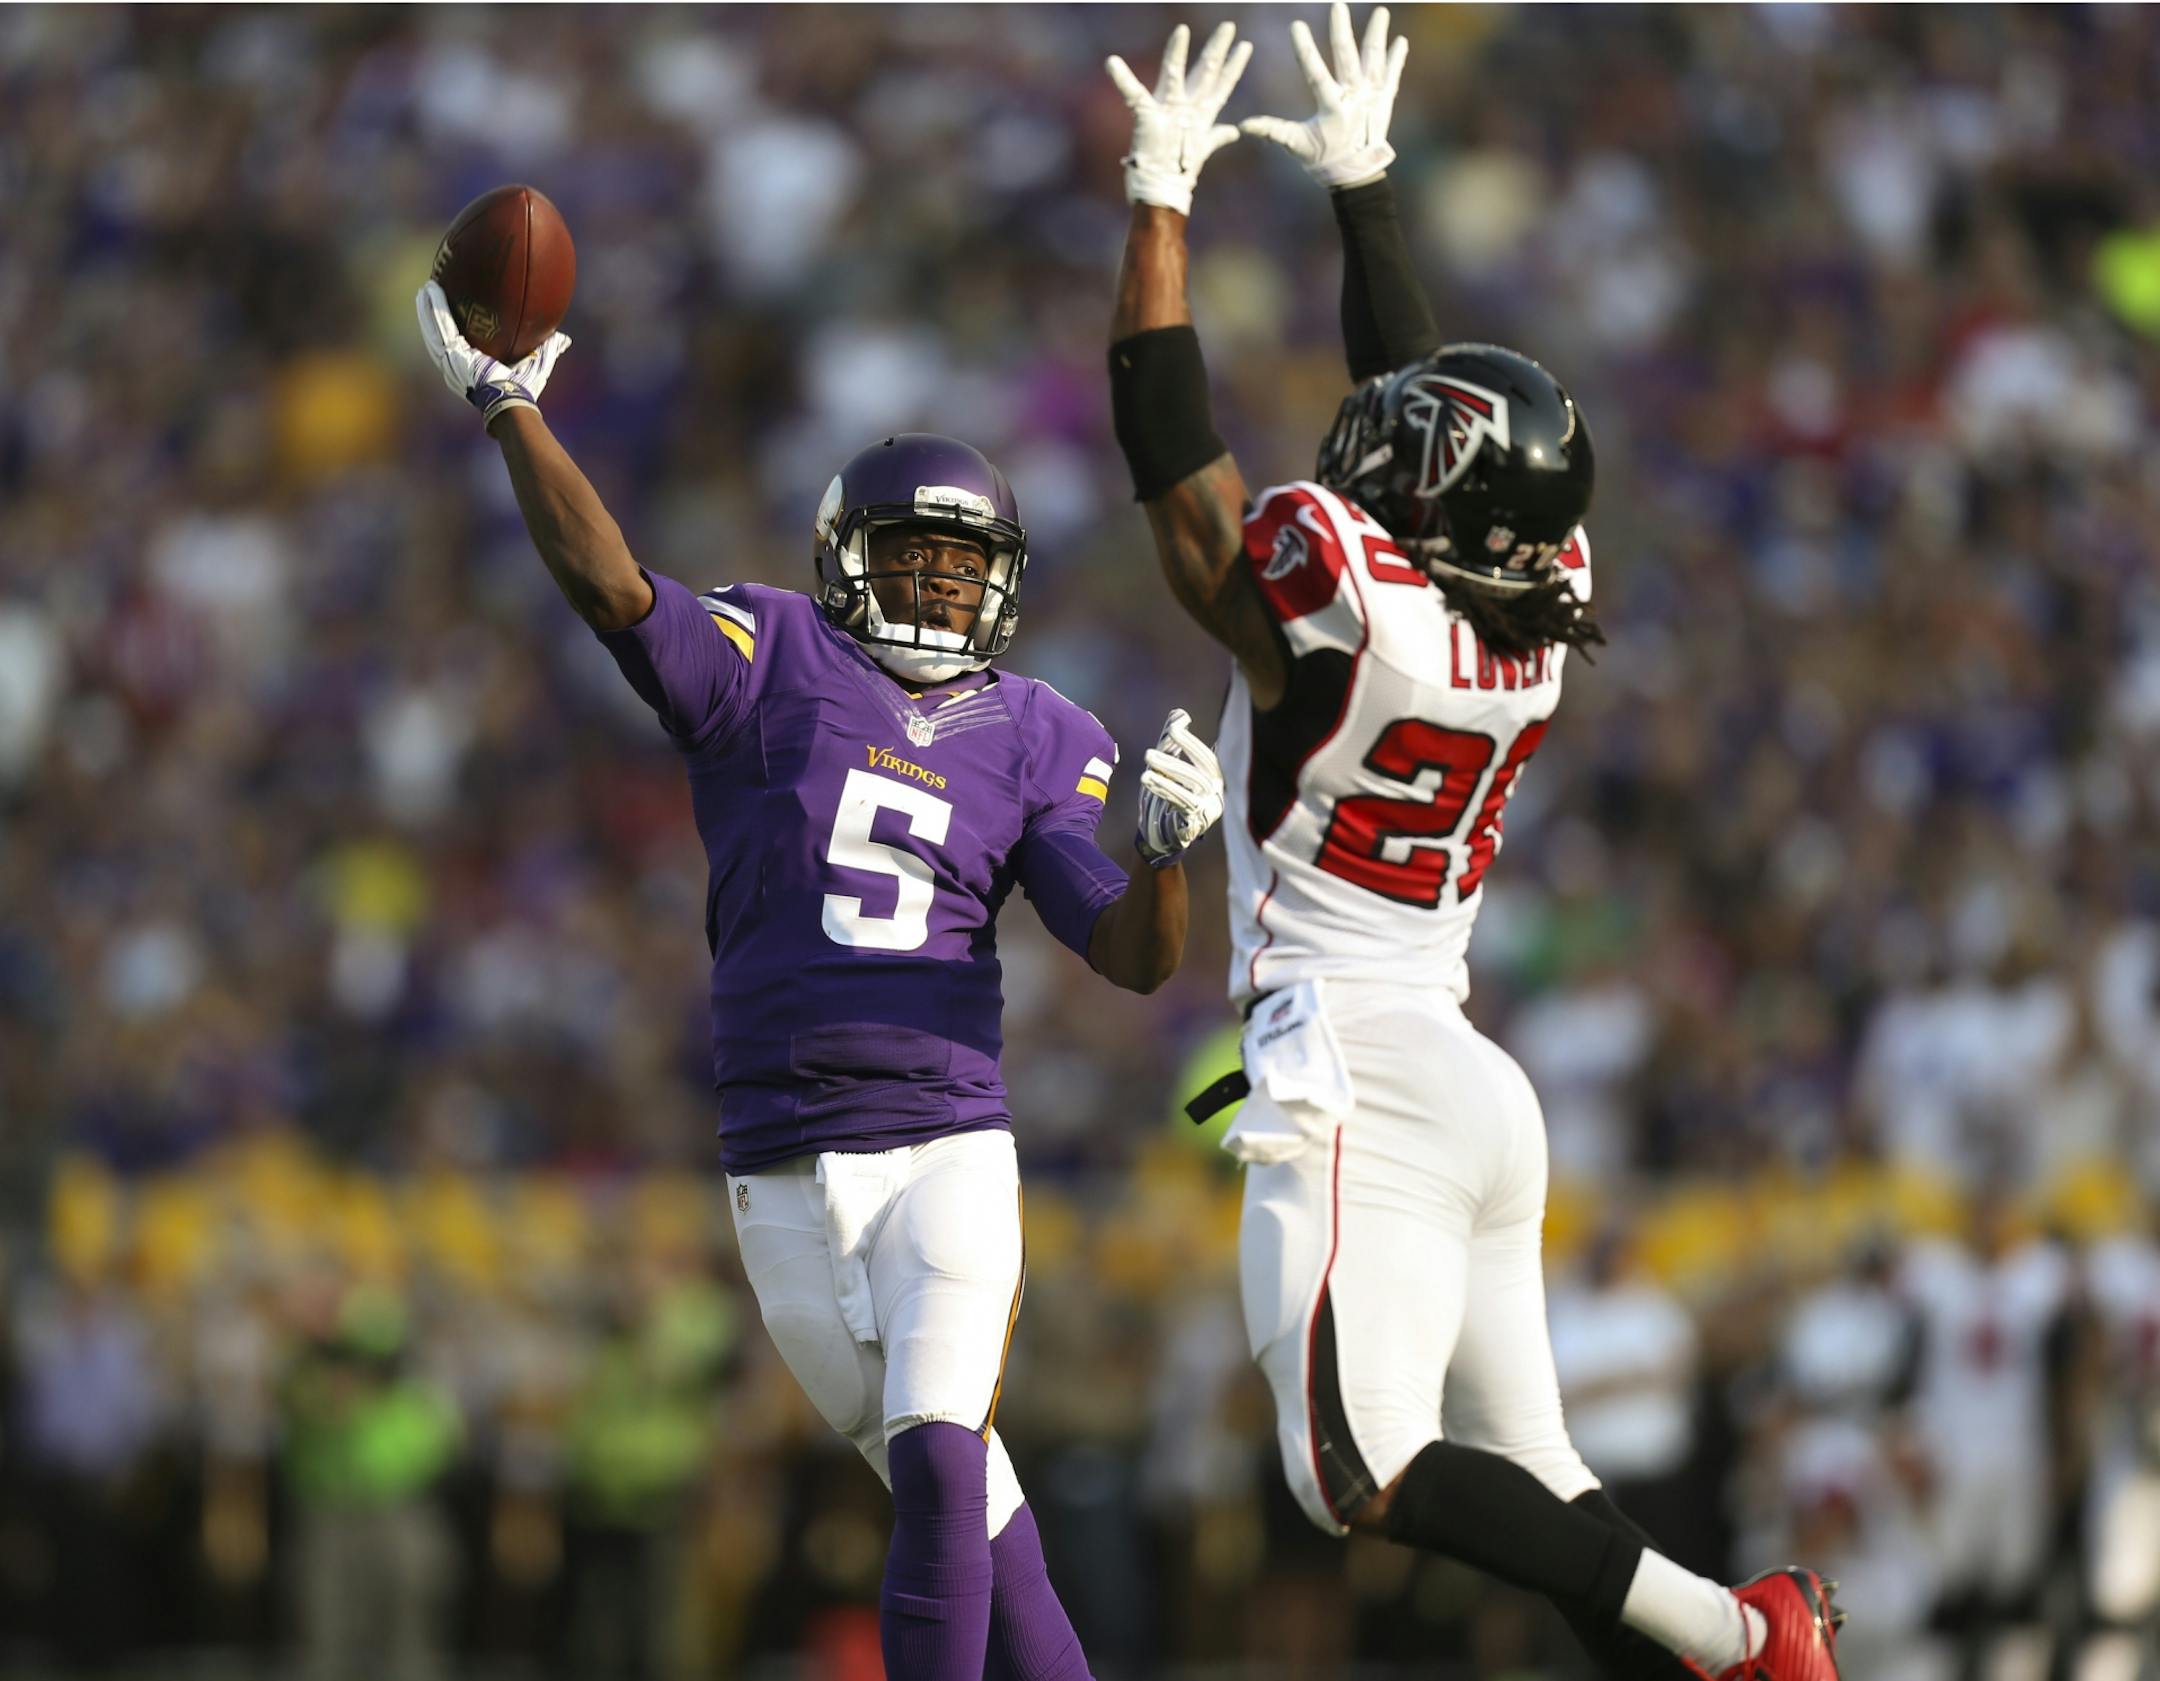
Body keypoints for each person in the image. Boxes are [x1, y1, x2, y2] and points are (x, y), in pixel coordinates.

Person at [1102, 10, 1843, 1679]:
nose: (1375, 456)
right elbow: (1428, 420)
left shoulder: (1347, 606)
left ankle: (1745, 1631)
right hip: (1465, 1079)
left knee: (1349, 1465)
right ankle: (1716, 1643)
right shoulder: (1536, 599)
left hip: (1360, 1072)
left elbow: (1182, 489)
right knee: (1558, 1500)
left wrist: (1158, 200)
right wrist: (1366, 194)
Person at [416, 280, 1226, 1680]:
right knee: (981, 1514)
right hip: (777, 1163)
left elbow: (1128, 955)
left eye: (966, 567)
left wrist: (1163, 859)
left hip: (944, 1146)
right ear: (851, 559)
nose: (940, 586)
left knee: (935, 1466)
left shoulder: (1038, 732)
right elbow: (613, 584)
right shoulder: (769, 652)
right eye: (914, 558)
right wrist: (513, 410)